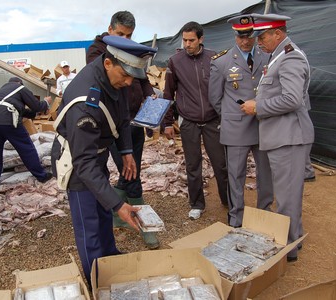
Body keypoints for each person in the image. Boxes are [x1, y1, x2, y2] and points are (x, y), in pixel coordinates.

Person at [53, 35, 157, 285]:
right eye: (126, 75)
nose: (130, 82)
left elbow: (121, 117)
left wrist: (126, 152)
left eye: (134, 76)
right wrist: (118, 205)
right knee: (89, 225)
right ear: (108, 63)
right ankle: (96, 280)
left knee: (102, 214)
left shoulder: (115, 78)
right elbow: (84, 164)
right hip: (78, 164)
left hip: (95, 153)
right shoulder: (85, 104)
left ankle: (110, 257)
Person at [240, 13, 315, 262]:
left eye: (262, 36)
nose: (258, 41)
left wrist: (258, 107)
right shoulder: (278, 57)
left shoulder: (290, 57)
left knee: (286, 198)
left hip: (289, 137)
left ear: (278, 34)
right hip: (284, 135)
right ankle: (295, 238)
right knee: (288, 195)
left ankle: (288, 250)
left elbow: (293, 99)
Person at [86, 10, 159, 249]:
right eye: (120, 34)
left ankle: (118, 213)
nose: (125, 40)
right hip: (114, 123)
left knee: (130, 167)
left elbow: (143, 78)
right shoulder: (98, 51)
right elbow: (107, 84)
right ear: (110, 29)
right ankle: (144, 221)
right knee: (131, 172)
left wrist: (151, 99)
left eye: (129, 36)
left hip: (135, 120)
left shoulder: (132, 49)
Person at [209, 15, 273, 228]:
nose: (245, 40)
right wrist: (230, 116)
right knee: (236, 175)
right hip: (236, 128)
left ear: (254, 35)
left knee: (265, 173)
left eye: (249, 35)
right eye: (241, 36)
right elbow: (215, 98)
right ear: (234, 35)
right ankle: (236, 217)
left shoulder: (268, 58)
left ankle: (265, 213)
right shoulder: (222, 62)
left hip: (263, 125)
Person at [163, 21, 229, 220]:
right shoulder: (175, 61)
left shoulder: (215, 58)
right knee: (193, 165)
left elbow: (226, 88)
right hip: (189, 121)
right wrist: (167, 122)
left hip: (212, 119)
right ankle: (197, 204)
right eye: (184, 40)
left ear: (201, 39)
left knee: (221, 163)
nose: (187, 44)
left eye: (191, 40)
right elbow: (168, 93)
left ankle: (228, 200)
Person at [0, 77, 53, 193]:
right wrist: (45, 103)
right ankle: (41, 176)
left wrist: (39, 112)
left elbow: (24, 111)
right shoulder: (20, 87)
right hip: (7, 117)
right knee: (26, 148)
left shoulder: (2, 92)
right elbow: (36, 106)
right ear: (20, 83)